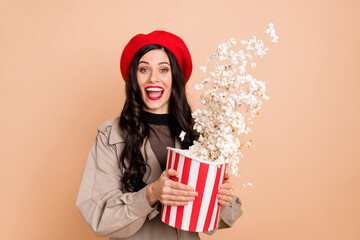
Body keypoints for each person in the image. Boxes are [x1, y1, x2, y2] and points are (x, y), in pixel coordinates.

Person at [76, 30, 243, 240]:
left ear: (175, 77)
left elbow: (209, 221)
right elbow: (97, 215)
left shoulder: (201, 134)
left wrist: (220, 199)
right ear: (134, 79)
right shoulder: (111, 136)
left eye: (163, 70)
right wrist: (151, 194)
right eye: (144, 69)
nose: (153, 78)